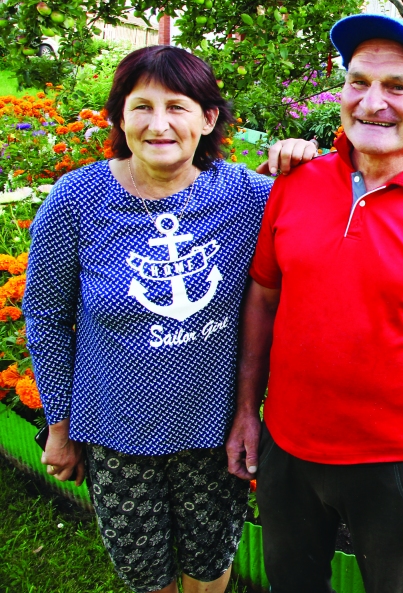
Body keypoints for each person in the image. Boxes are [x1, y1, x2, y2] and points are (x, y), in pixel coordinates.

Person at [225, 14, 403, 593]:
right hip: (289, 450)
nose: (372, 102)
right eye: (358, 82)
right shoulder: (296, 182)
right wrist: (247, 413)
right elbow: (262, 299)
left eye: (397, 87)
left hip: (396, 466)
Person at [23, 45, 316, 593]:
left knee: (208, 568)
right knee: (145, 575)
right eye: (142, 106)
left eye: (178, 107)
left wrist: (305, 163)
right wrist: (59, 427)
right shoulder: (76, 199)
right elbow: (44, 315)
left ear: (207, 119)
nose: (159, 125)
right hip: (115, 435)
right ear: (118, 117)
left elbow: (341, 210)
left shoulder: (248, 197)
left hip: (212, 432)